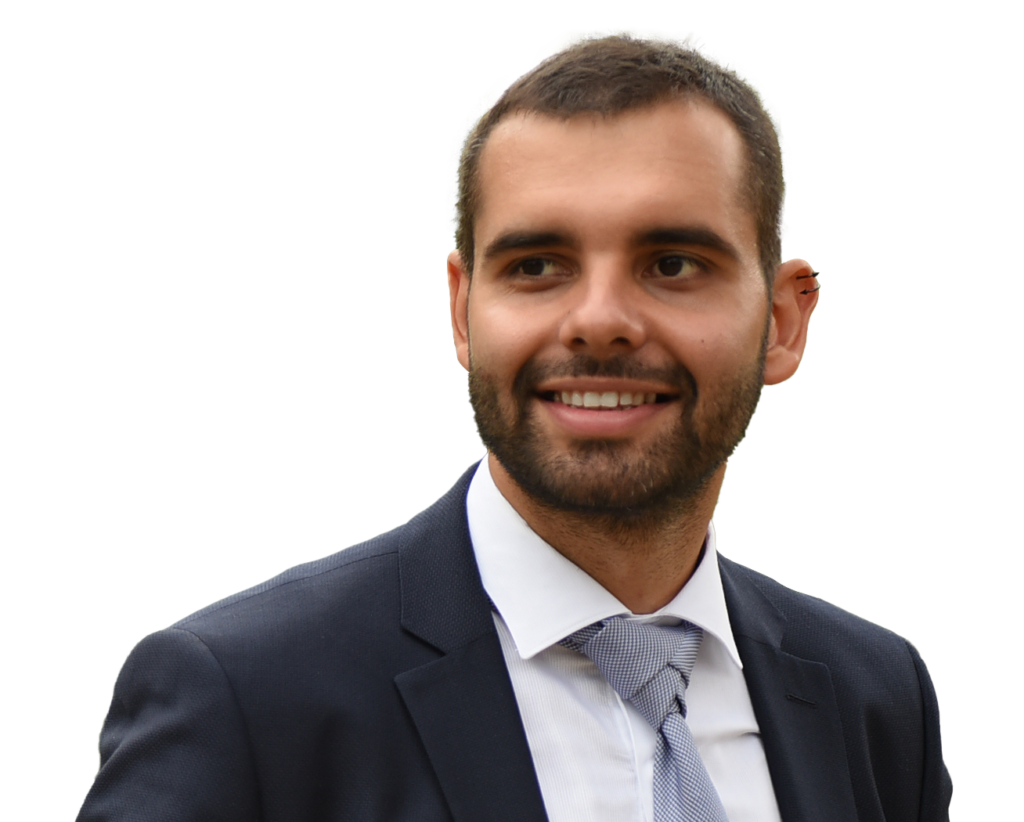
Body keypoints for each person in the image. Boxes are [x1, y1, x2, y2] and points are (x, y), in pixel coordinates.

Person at [77, 32, 952, 821]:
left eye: (673, 262)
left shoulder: (877, 699)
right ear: (462, 312)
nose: (599, 321)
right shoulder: (244, 696)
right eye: (537, 265)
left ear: (784, 322)